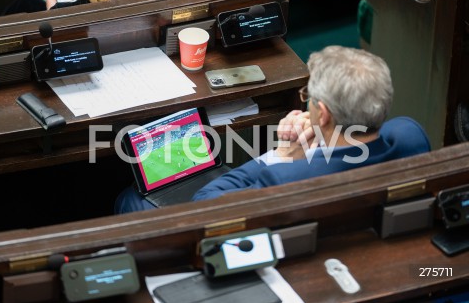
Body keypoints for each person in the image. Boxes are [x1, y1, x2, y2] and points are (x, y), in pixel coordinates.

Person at [114, 45, 431, 213]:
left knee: (131, 199)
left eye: (307, 97)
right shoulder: (411, 135)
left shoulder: (285, 176)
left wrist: (281, 155)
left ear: (321, 114)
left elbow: (204, 203)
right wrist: (321, 144)